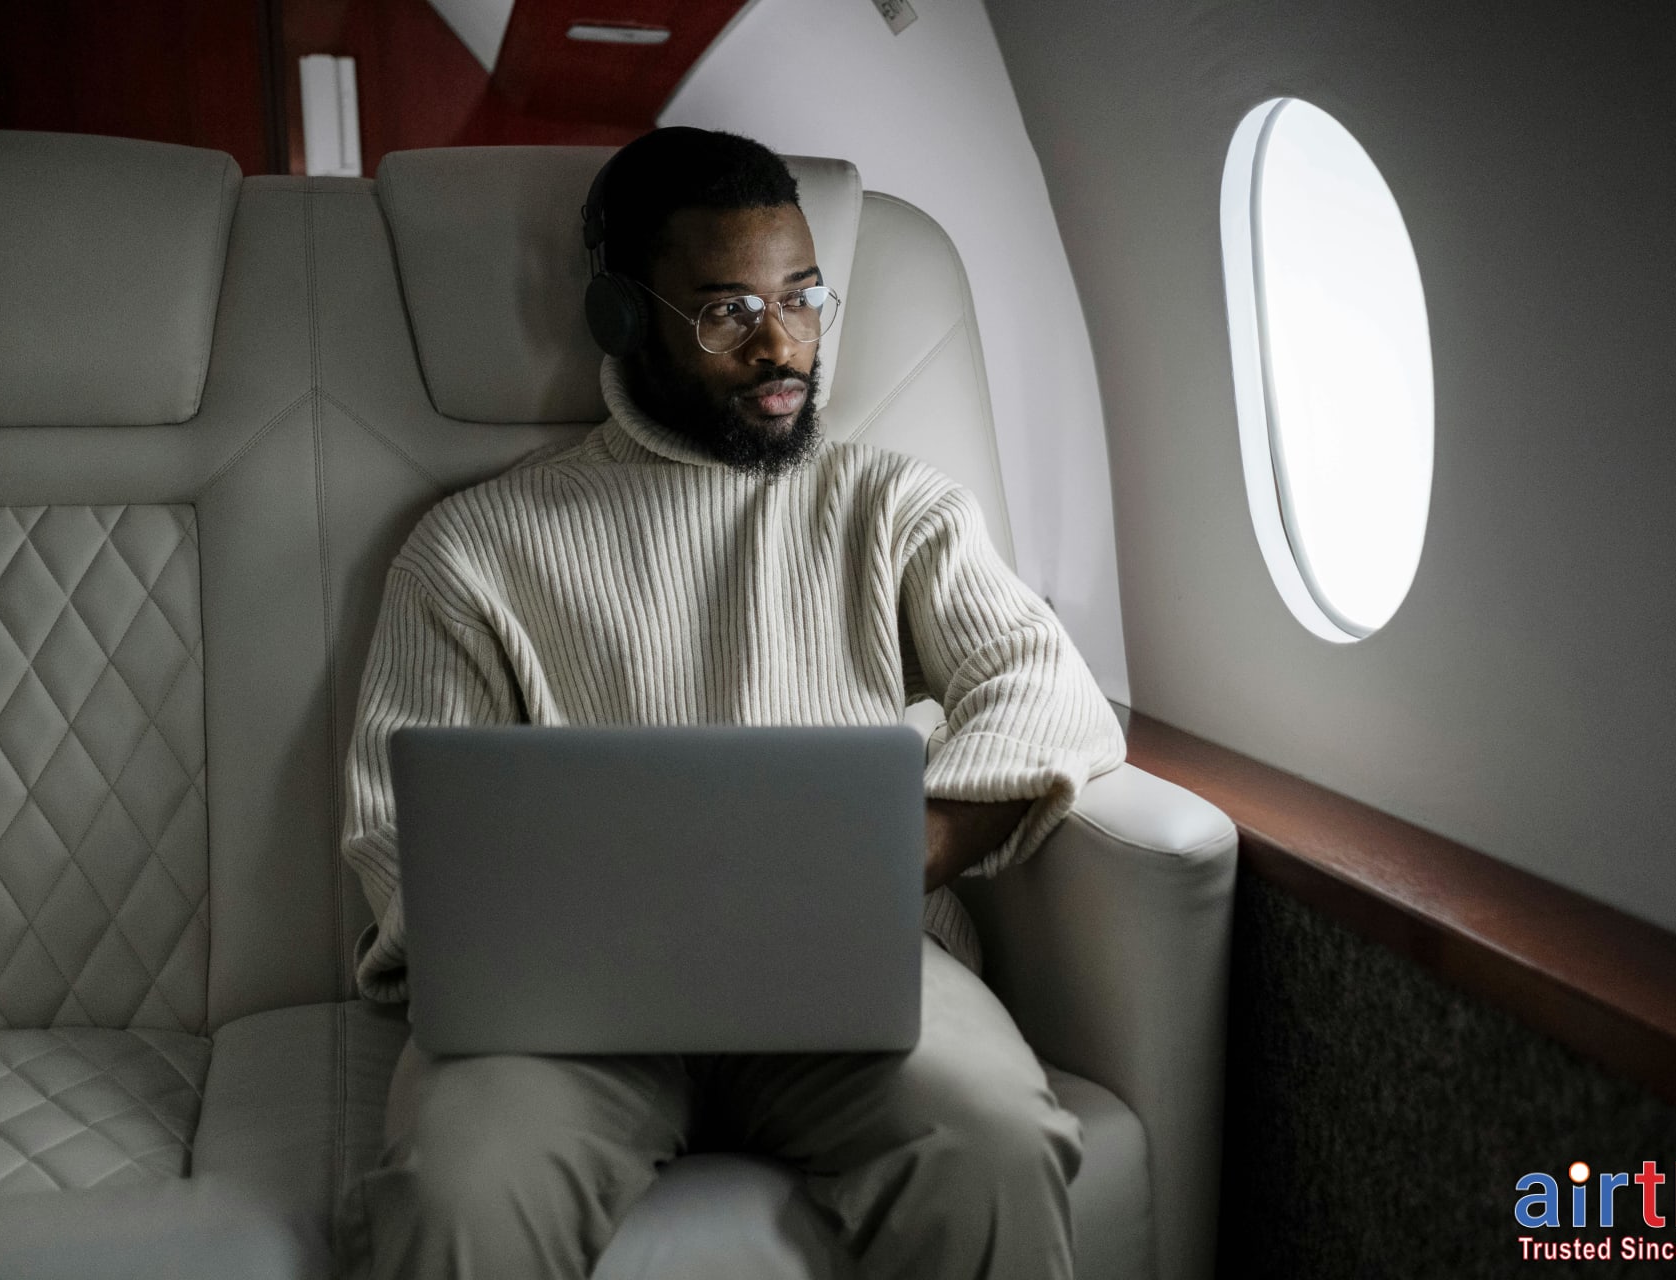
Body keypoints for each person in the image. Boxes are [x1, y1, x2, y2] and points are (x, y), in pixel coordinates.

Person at [340, 126, 1126, 1279]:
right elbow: (396, 834)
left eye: (803, 298)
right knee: (461, 1191)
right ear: (623, 319)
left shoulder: (892, 505)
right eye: (728, 312)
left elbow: (1046, 689)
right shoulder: (473, 549)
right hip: (568, 1012)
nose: (783, 346)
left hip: (855, 971)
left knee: (997, 1143)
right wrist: (554, 928)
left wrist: (903, 848)